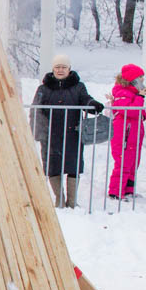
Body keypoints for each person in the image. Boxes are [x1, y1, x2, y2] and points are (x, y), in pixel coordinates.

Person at [29, 54, 103, 208]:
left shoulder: (78, 86)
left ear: (69, 69)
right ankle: (59, 199)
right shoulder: (43, 88)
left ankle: (72, 201)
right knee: (52, 166)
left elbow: (85, 99)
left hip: (72, 133)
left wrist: (93, 104)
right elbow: (36, 109)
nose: (60, 70)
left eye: (63, 67)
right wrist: (38, 130)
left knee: (73, 165)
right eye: (57, 67)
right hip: (51, 134)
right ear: (53, 69)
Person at [107, 64, 146, 200]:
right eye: (140, 77)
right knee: (123, 162)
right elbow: (130, 111)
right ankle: (115, 191)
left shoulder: (132, 93)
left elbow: (139, 112)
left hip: (133, 134)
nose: (142, 80)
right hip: (125, 134)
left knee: (133, 163)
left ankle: (128, 190)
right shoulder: (122, 93)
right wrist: (140, 98)